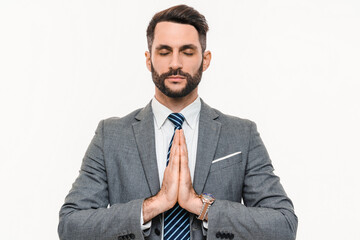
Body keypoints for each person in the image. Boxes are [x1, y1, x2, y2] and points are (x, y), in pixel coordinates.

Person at [58, 4, 298, 240]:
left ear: (205, 60)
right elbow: (71, 225)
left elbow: (283, 225)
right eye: (164, 52)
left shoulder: (241, 134)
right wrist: (153, 206)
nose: (175, 63)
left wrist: (199, 205)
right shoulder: (110, 135)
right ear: (148, 59)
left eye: (187, 51)